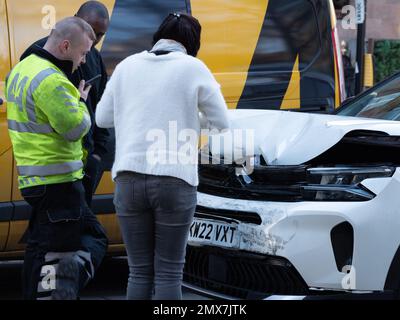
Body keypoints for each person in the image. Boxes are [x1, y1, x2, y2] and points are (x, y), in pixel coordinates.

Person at [96, 13, 230, 300]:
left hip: (129, 178)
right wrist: (188, 117)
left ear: (158, 36)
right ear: (192, 43)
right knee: (169, 272)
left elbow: (102, 118)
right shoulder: (194, 68)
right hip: (175, 180)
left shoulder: (127, 66)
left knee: (139, 271)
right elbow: (221, 123)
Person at [6, 17, 108, 300]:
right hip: (60, 183)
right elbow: (75, 128)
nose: (84, 60)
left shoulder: (23, 69)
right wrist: (80, 101)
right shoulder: (52, 80)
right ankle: (63, 289)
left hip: (37, 181)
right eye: (83, 53)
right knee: (59, 257)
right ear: (65, 46)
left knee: (40, 250)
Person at [21, 0, 111, 207]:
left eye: (100, 35)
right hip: (55, 168)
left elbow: (102, 109)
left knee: (63, 231)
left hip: (85, 164)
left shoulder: (95, 60)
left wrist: (97, 156)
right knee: (70, 232)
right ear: (75, 20)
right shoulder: (39, 53)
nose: (94, 39)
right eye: (90, 30)